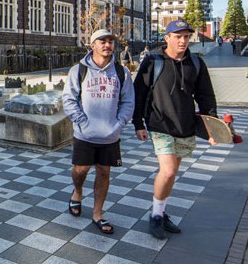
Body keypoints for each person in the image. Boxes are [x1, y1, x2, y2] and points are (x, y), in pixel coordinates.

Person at [133, 19, 217, 240]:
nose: (183, 40)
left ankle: (160, 211)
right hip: (159, 124)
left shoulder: (196, 64)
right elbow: (138, 93)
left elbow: (206, 97)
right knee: (168, 170)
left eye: (187, 36)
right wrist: (138, 124)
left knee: (171, 175)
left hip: (185, 125)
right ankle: (156, 217)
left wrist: (213, 127)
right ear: (167, 38)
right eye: (178, 36)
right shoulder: (153, 61)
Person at [62, 29, 134, 235]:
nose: (107, 45)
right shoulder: (78, 70)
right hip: (85, 133)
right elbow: (68, 99)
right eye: (102, 41)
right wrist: (81, 121)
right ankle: (77, 192)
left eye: (110, 41)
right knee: (81, 170)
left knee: (104, 171)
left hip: (110, 134)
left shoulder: (121, 72)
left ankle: (98, 213)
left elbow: (128, 101)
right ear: (92, 45)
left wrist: (119, 124)